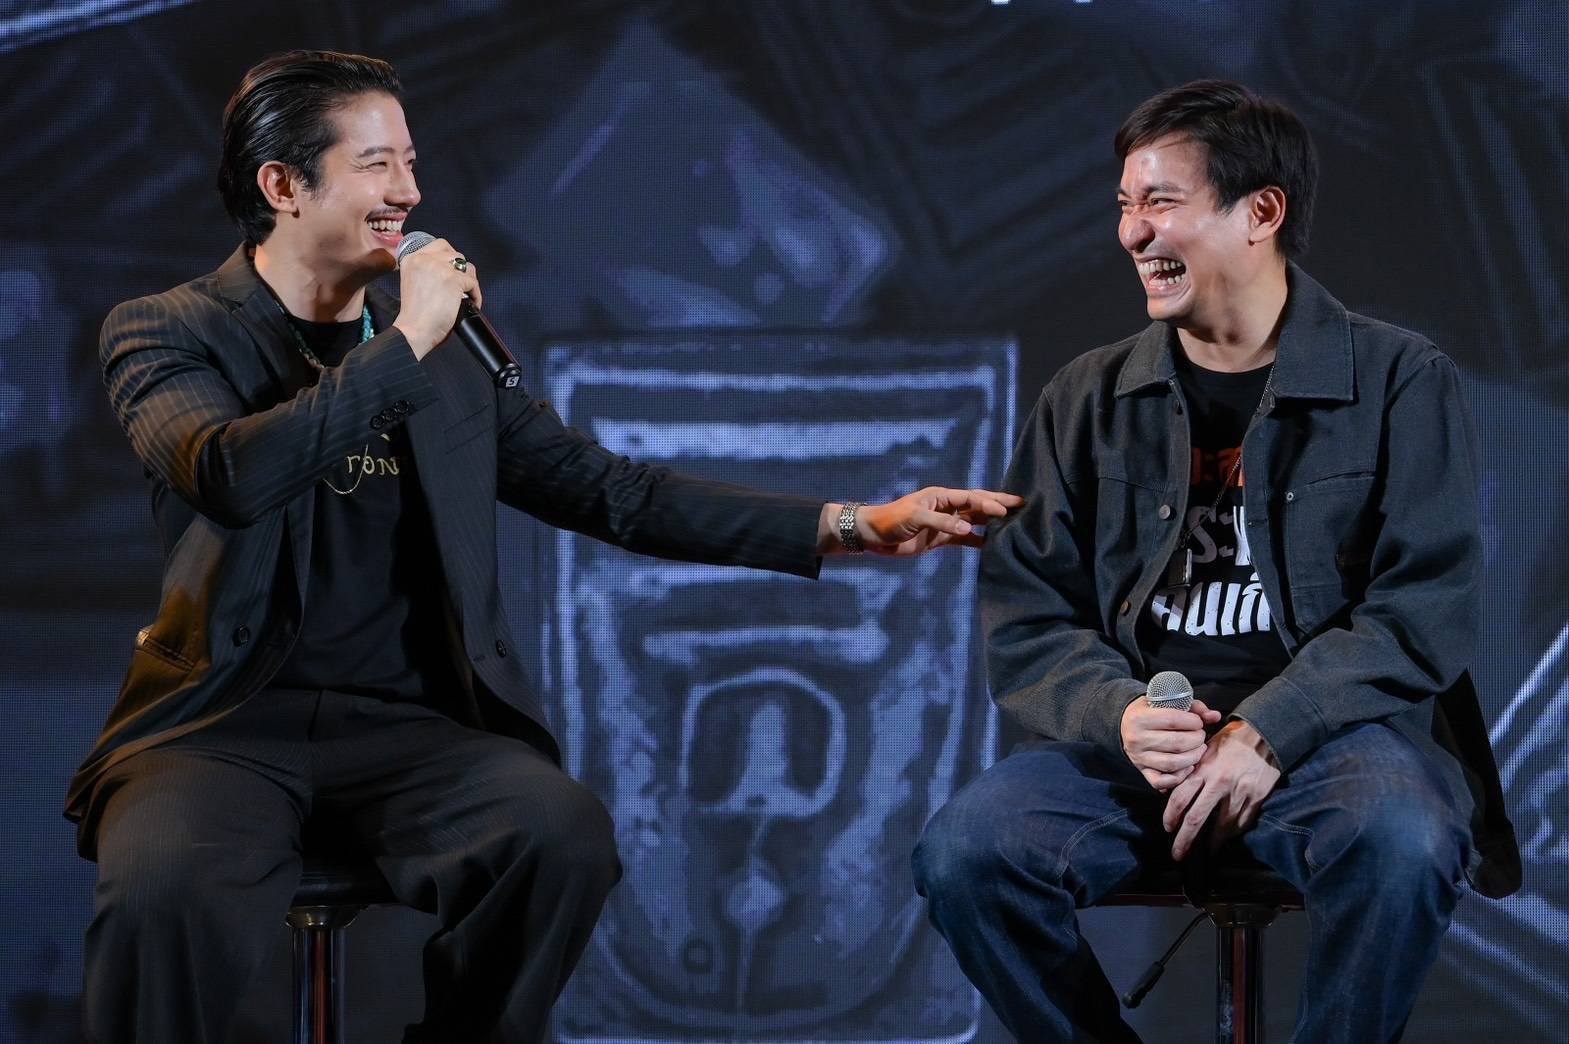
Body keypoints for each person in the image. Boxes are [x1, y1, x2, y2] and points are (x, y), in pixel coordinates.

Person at [67, 50, 1021, 1044]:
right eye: (377, 165)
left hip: (408, 730)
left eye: (411, 163)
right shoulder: (169, 331)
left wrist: (855, 523)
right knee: (158, 893)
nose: (410, 193)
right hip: (224, 724)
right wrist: (407, 342)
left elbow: (611, 491)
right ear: (283, 186)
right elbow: (228, 473)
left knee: (557, 836)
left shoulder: (443, 356)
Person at [911, 80, 1520, 1043]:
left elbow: (1421, 609)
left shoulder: (1400, 378)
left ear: (1260, 212)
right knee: (967, 855)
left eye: (1159, 202)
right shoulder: (1085, 396)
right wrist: (1116, 714)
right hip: (1131, 759)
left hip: (1334, 747)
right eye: (1124, 205)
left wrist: (1267, 728)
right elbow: (1027, 617)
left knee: (1401, 839)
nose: (1131, 233)